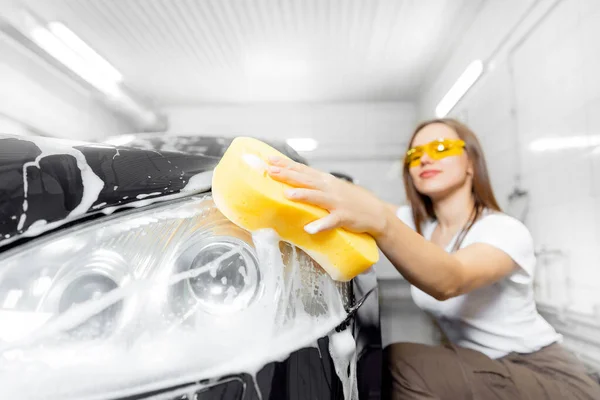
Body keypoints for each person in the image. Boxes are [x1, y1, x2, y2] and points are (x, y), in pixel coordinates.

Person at [265, 118, 600, 399]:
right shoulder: (418, 225)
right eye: (415, 154)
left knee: (399, 363)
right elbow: (359, 200)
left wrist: (382, 224)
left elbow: (450, 279)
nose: (424, 159)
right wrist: (286, 176)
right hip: (482, 369)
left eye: (441, 149)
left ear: (470, 162)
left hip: (544, 374)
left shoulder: (503, 230)